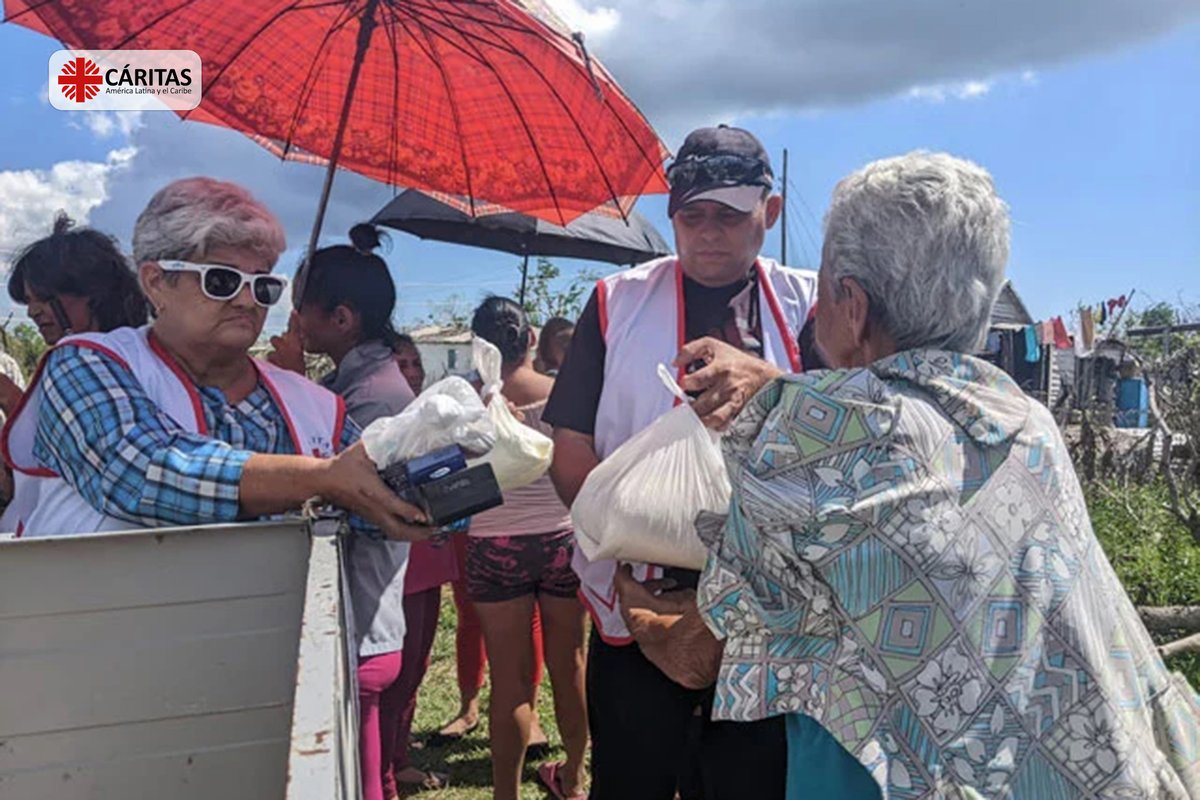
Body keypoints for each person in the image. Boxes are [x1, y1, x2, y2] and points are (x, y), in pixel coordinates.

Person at [615, 152, 1200, 797]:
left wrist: (643, 618)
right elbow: (906, 427)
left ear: (854, 307)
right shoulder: (1027, 420)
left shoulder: (812, 443)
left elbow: (697, 660)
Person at [543, 125, 817, 800]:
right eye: (691, 216)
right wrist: (622, 542)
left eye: (729, 215)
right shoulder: (617, 304)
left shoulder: (810, 307)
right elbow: (571, 445)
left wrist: (774, 386)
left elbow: (856, 426)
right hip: (638, 603)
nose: (708, 233)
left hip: (768, 617)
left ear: (770, 213)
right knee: (633, 778)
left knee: (749, 782)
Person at [1, 177, 430, 546]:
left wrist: (451, 473)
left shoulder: (311, 402)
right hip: (106, 634)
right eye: (221, 280)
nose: (247, 300)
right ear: (155, 283)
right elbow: (141, 472)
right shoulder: (85, 364)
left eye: (263, 284)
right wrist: (322, 478)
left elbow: (378, 497)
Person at [271, 223, 432, 800]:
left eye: (301, 312)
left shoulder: (378, 397)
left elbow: (334, 482)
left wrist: (290, 385)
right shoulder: (357, 380)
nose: (293, 324)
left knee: (362, 773)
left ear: (341, 319)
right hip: (362, 608)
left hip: (364, 612)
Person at [469, 297, 589, 800]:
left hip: (494, 543)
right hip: (561, 538)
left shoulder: (465, 403)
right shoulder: (564, 394)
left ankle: (505, 795)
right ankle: (575, 779)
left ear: (478, 347)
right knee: (572, 664)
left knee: (511, 680)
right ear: (532, 340)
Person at [0, 213, 149, 417]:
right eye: (29, 301)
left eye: (44, 297)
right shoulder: (147, 354)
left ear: (91, 290)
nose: (32, 312)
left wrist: (9, 397)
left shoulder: (78, 362)